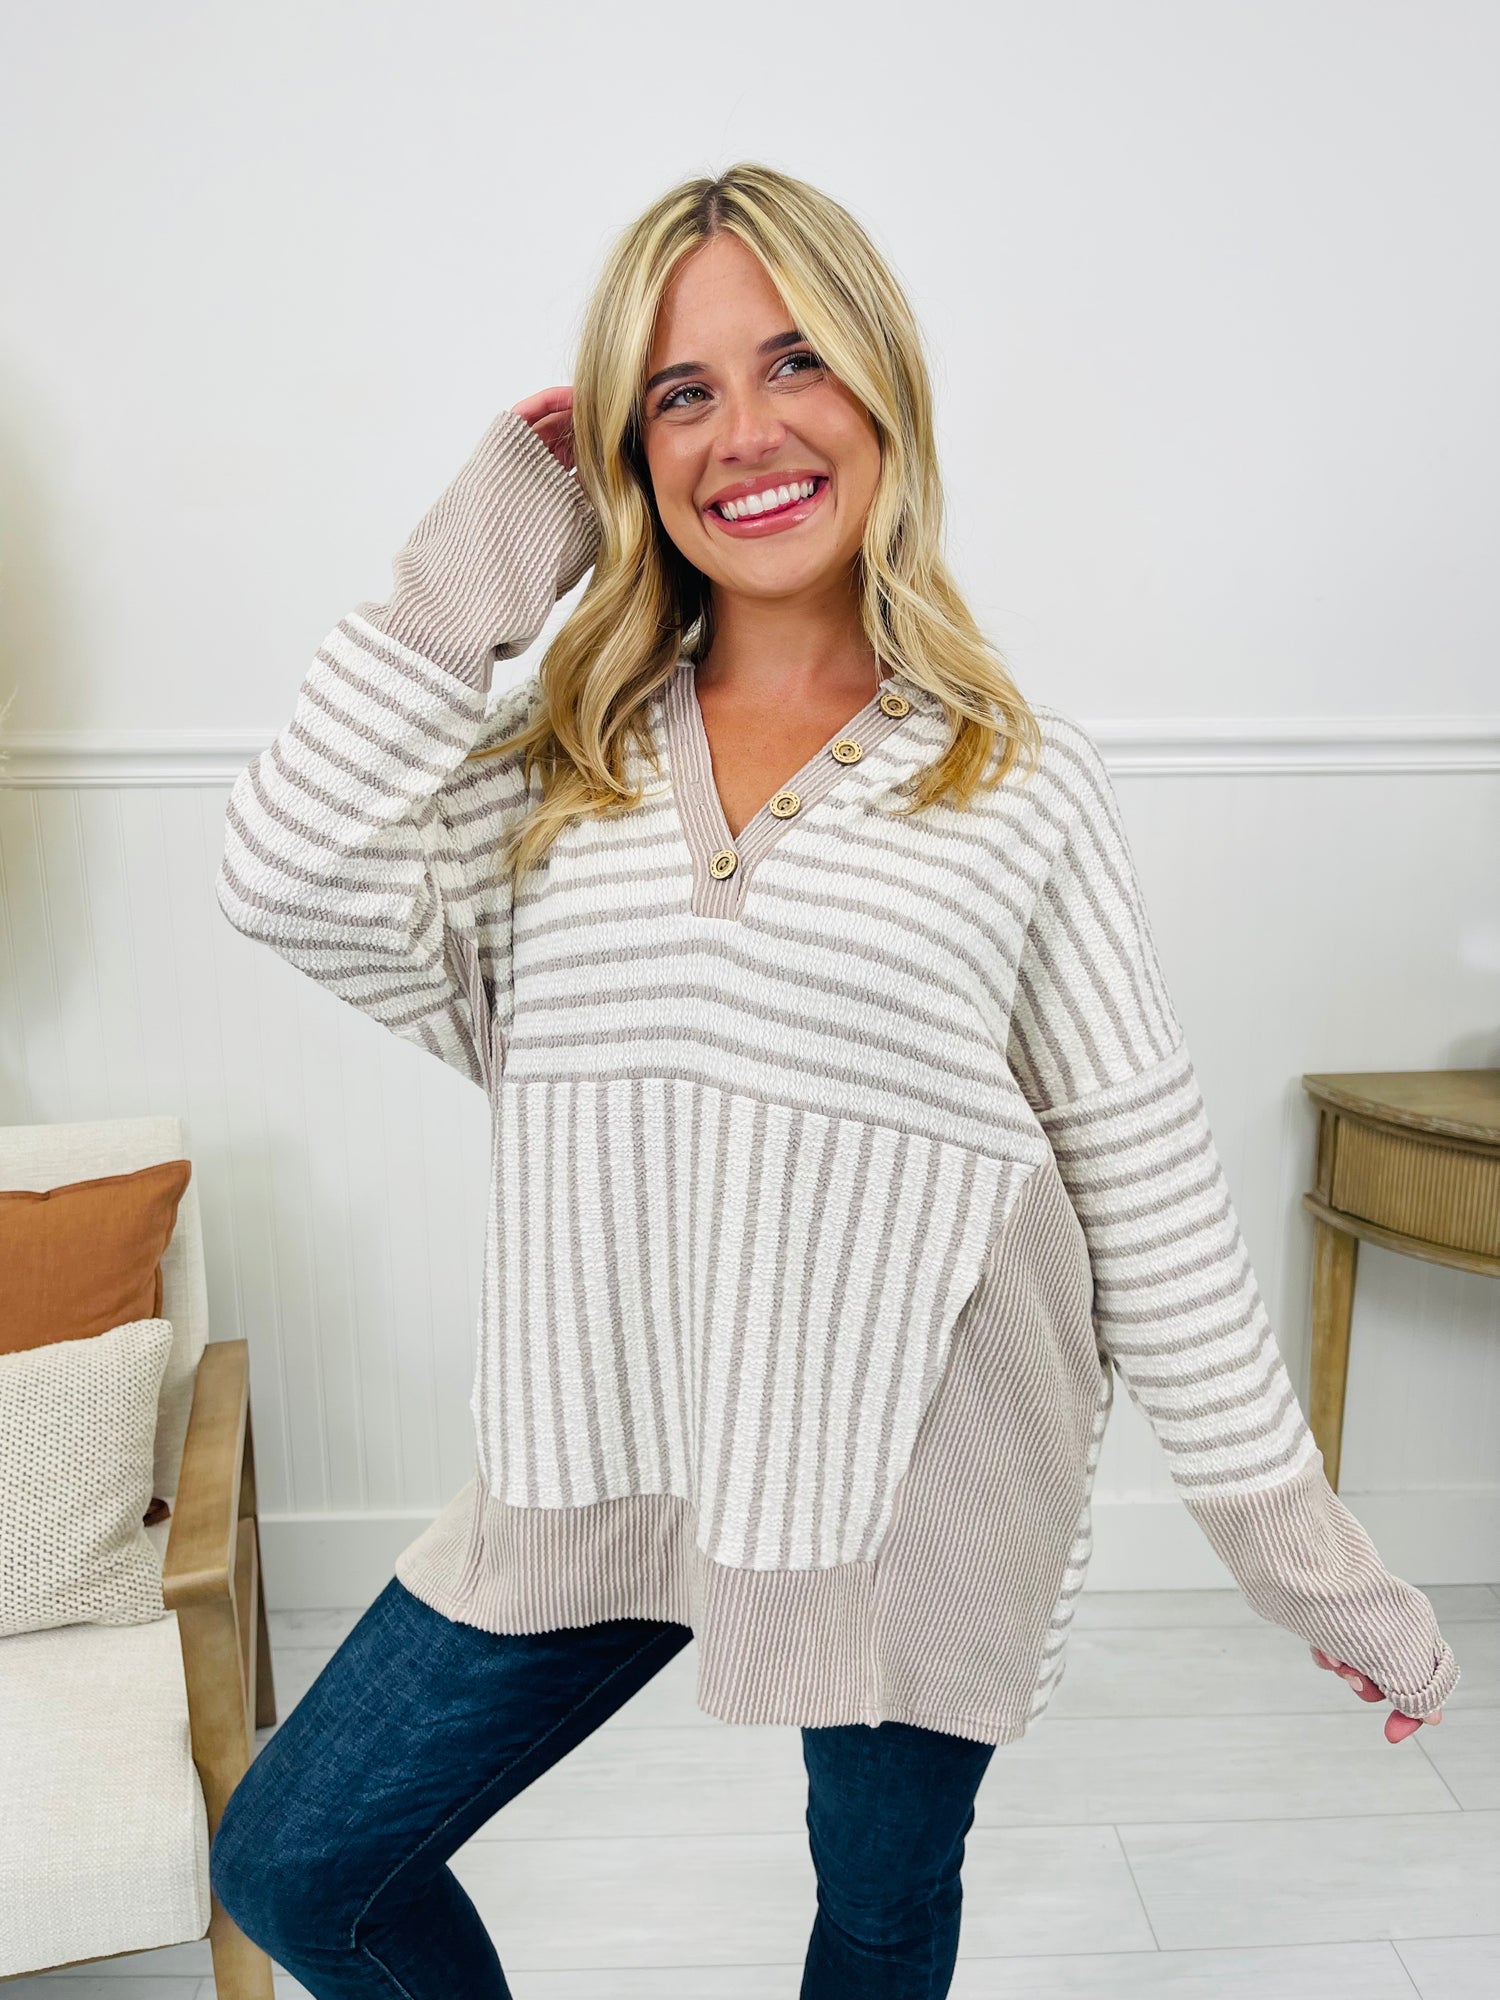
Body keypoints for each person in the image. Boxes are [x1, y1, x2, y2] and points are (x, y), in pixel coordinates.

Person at [207, 162, 1458, 1999]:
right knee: (298, 1861)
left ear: (882, 386)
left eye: (794, 359)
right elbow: (282, 873)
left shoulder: (1013, 781)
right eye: (681, 392)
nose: (747, 432)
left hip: (920, 1482)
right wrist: (477, 568)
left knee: (874, 1908)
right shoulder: (559, 773)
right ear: (626, 456)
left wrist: (1305, 1561)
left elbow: (1152, 1195)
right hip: (607, 1448)